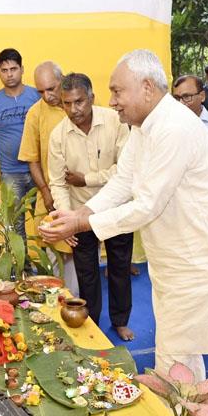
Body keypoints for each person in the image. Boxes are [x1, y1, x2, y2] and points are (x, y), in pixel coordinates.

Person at [40, 50, 208, 380]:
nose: (112, 101)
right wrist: (83, 211)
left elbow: (146, 205)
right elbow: (123, 181)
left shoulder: (173, 128)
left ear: (146, 88)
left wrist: (81, 222)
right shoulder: (144, 126)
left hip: (198, 253)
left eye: (117, 91)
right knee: (179, 343)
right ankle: (184, 396)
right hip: (175, 251)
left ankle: (180, 403)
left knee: (176, 348)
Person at [47, 73, 134, 341]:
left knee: (119, 267)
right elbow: (58, 182)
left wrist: (89, 178)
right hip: (79, 213)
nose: (74, 109)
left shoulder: (116, 121)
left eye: (80, 102)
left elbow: (126, 171)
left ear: (92, 98)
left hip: (116, 208)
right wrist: (66, 219)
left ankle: (120, 321)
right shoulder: (58, 135)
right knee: (87, 275)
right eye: (67, 103)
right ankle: (92, 324)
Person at [17, 61, 79, 295]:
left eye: (51, 88)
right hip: (53, 194)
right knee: (56, 251)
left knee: (82, 253)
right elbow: (32, 158)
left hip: (85, 192)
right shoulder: (35, 113)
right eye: (41, 91)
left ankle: (78, 303)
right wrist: (44, 190)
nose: (47, 95)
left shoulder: (79, 103)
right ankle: (61, 300)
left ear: (62, 79)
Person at [0, 48, 40, 260]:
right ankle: (22, 271)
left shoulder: (37, 95)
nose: (10, 74)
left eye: (13, 68)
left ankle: (48, 272)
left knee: (45, 220)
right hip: (10, 174)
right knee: (15, 228)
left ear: (22, 69)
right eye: (4, 70)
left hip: (39, 171)